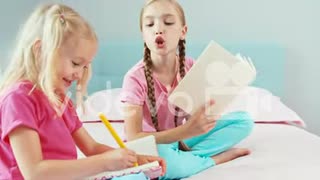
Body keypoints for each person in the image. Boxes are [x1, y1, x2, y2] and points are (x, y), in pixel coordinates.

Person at [0, 4, 165, 180]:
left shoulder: (59, 100)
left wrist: (135, 159)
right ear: (40, 51)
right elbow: (34, 172)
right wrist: (104, 162)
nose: (79, 74)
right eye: (76, 63)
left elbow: (92, 148)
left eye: (85, 66)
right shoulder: (18, 99)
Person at [120, 0, 254, 179]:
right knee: (166, 164)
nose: (158, 29)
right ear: (144, 35)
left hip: (180, 140)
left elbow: (196, 117)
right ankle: (212, 160)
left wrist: (203, 118)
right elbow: (134, 138)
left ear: (183, 32)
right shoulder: (134, 78)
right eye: (150, 24)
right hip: (153, 147)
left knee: (243, 121)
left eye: (168, 22)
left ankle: (187, 159)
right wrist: (185, 132)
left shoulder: (191, 66)